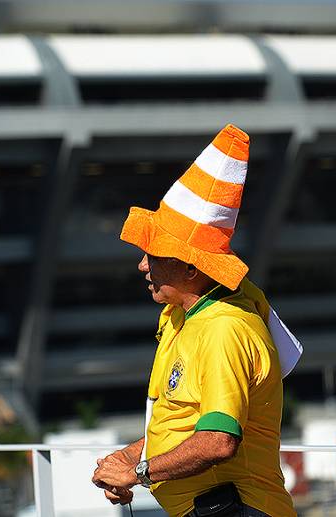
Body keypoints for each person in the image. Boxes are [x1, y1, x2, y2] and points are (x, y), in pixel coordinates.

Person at [91, 124, 301, 517]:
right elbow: (182, 422)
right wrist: (126, 459)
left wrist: (137, 472)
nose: (142, 264)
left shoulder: (224, 329)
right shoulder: (180, 317)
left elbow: (219, 439)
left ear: (191, 268)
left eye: (153, 255)